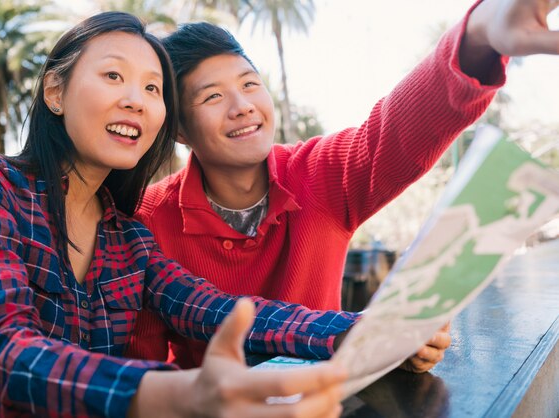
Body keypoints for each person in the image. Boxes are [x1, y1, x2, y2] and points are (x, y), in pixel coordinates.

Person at [0, 11, 368, 418]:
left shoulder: (130, 240)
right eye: (113, 76)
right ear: (55, 92)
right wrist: (178, 393)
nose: (135, 101)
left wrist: (357, 330)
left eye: (152, 88)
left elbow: (211, 309)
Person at [131, 0, 559, 369]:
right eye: (212, 96)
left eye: (249, 84)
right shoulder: (146, 218)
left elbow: (395, 131)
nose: (242, 107)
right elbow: (144, 367)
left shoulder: (319, 175)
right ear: (180, 131)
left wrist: (480, 33)